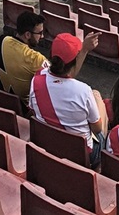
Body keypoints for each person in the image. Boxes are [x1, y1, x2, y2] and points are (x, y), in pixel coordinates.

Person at [29, 32, 107, 167]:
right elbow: (97, 128)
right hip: (82, 154)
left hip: (49, 142)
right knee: (98, 100)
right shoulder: (84, 91)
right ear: (75, 61)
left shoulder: (36, 80)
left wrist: (84, 50)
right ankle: (99, 166)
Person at [0, 11, 48, 106]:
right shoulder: (36, 59)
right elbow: (55, 81)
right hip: (17, 108)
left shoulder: (0, 39)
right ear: (27, 35)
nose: (42, 36)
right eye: (40, 33)